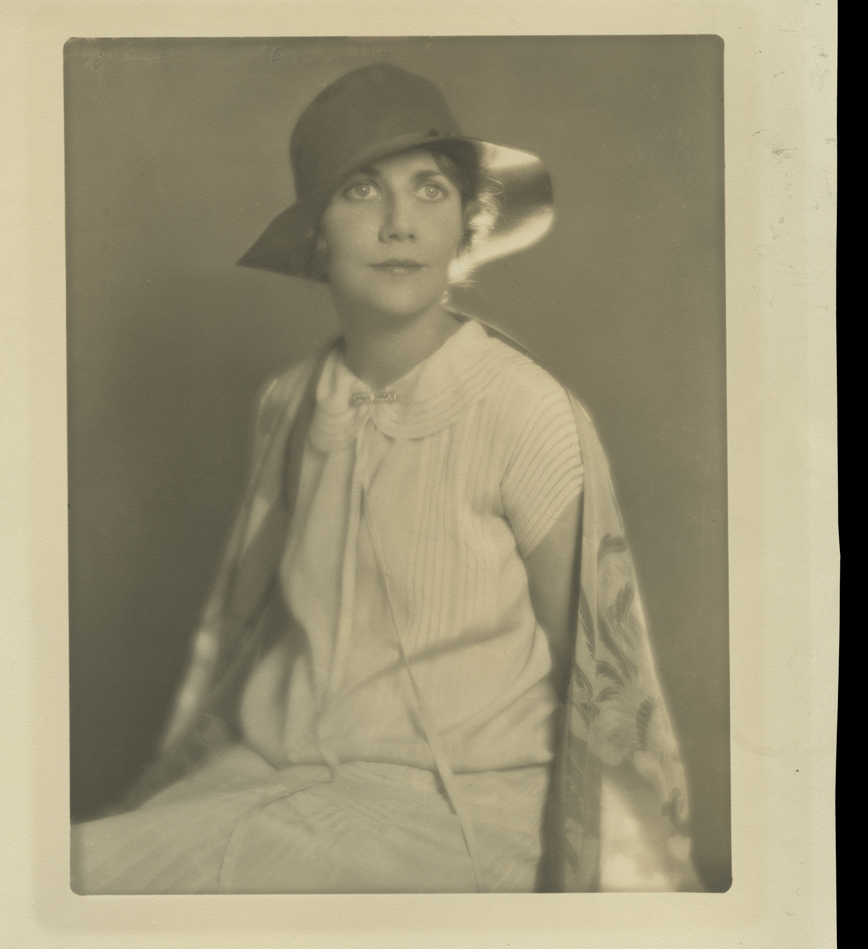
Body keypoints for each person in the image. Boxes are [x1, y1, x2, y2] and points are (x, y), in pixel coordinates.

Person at [72, 63, 700, 894]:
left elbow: (604, 680)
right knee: (65, 872)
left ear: (466, 226)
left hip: (460, 814)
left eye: (431, 191)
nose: (401, 224)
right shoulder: (290, 404)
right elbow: (251, 634)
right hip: (268, 780)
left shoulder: (524, 410)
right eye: (362, 192)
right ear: (316, 236)